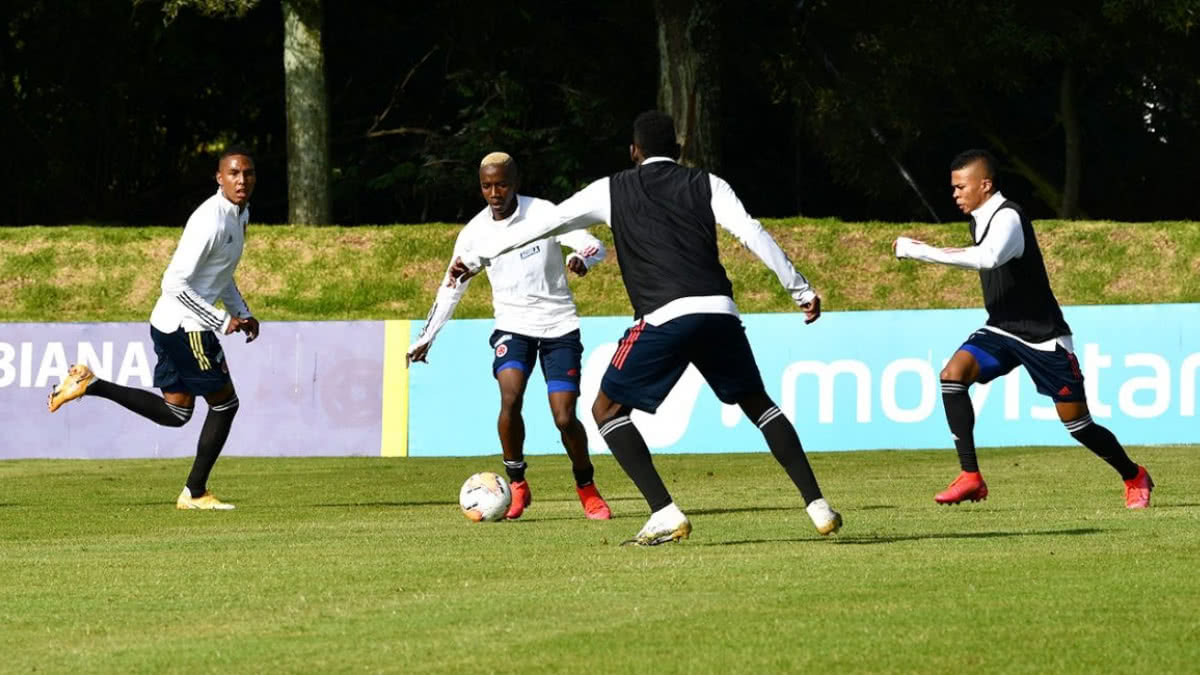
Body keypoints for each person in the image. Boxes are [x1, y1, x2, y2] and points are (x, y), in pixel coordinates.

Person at [451, 112, 843, 546]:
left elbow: (544, 225)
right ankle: (817, 505)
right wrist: (800, 289)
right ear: (676, 150)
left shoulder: (611, 188)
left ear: (633, 151)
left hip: (663, 316)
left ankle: (664, 512)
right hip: (719, 311)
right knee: (759, 405)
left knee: (606, 411)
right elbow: (752, 232)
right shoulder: (708, 183)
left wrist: (478, 256)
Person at [893, 148, 1153, 508]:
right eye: (953, 188)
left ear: (984, 184)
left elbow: (989, 258)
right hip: (1001, 330)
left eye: (960, 187)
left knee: (1079, 426)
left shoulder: (1009, 218)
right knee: (952, 376)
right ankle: (971, 476)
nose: (954, 194)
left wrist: (921, 251)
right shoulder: (978, 218)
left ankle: (1133, 474)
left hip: (1045, 338)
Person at [48, 146, 261, 511]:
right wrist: (224, 320)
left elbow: (220, 272)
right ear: (219, 178)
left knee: (177, 413)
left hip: (170, 323)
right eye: (234, 173)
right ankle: (195, 493)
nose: (242, 180)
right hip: (185, 325)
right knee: (226, 405)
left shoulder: (240, 214)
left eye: (248, 174)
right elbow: (174, 284)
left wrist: (242, 311)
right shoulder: (209, 219)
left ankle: (90, 384)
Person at [408, 152, 612, 521]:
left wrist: (584, 258)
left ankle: (587, 487)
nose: (494, 192)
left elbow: (595, 244)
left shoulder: (544, 214)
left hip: (558, 325)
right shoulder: (474, 234)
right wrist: (427, 336)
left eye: (501, 184)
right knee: (511, 396)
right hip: (512, 326)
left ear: (515, 182)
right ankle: (517, 484)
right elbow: (452, 286)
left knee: (565, 417)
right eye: (487, 185)